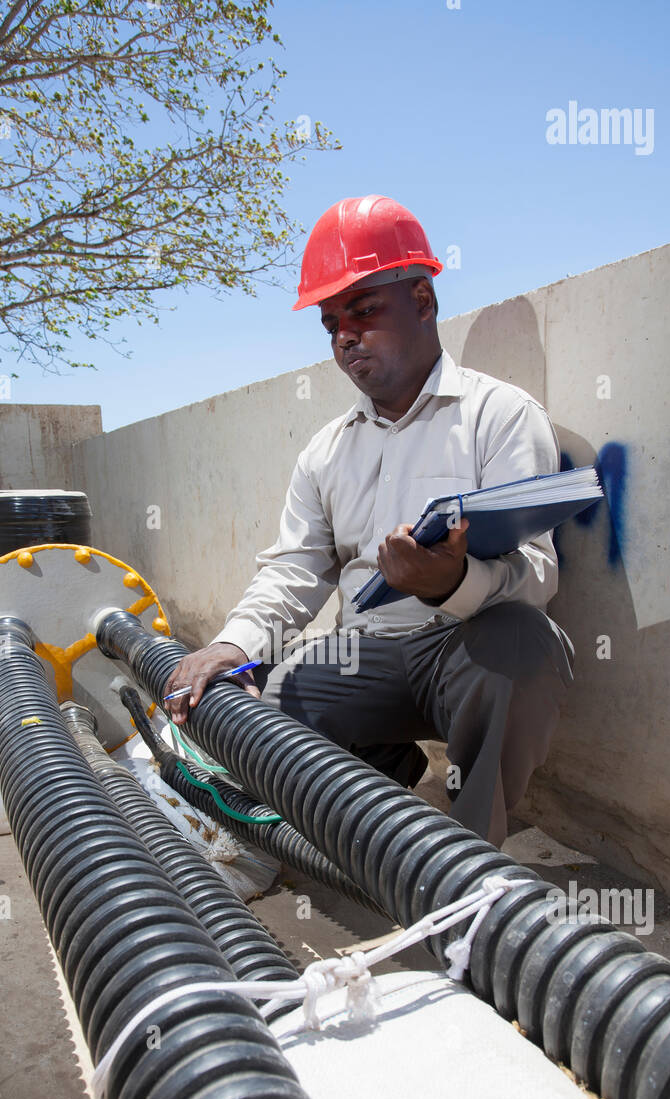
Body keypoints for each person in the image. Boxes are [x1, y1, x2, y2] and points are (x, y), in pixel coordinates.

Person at [164, 195, 574, 847]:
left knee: (525, 642)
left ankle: (468, 860)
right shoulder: (328, 450)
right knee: (251, 710)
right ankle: (383, 774)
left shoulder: (499, 416)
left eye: (363, 310)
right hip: (367, 653)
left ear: (421, 300)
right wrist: (232, 645)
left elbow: (538, 575)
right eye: (330, 323)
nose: (345, 336)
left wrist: (448, 581)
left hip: (462, 644)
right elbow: (294, 571)